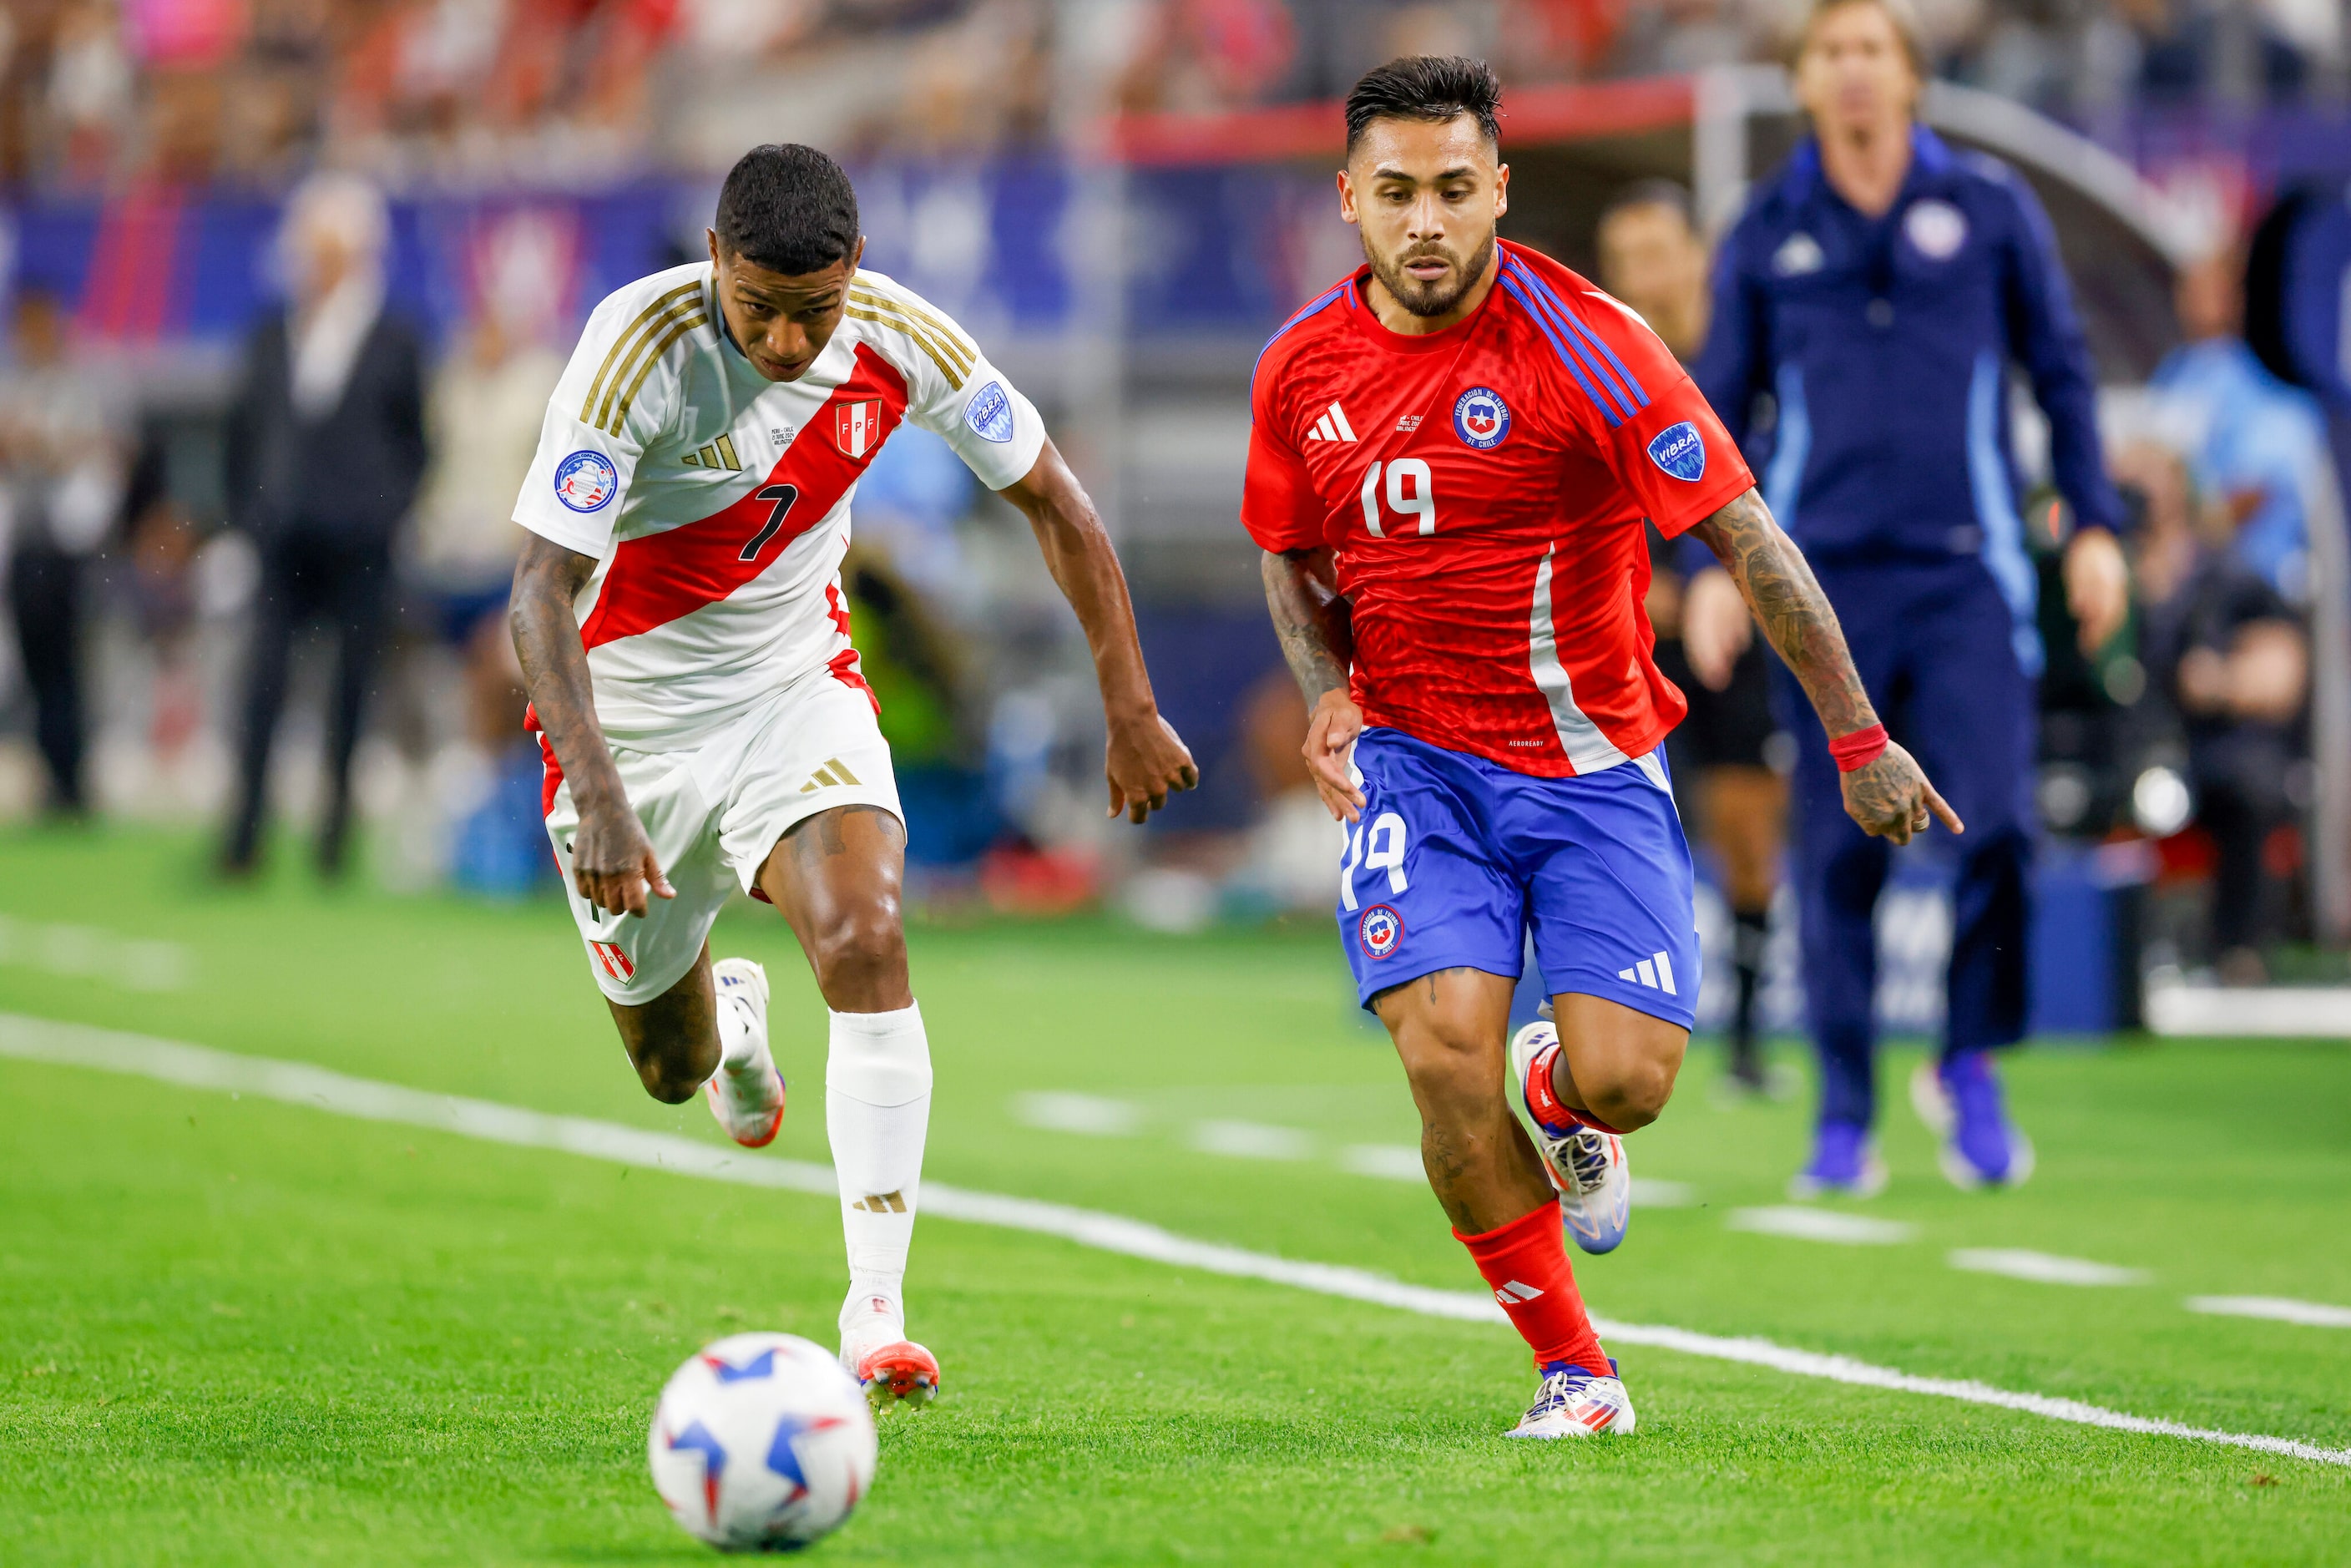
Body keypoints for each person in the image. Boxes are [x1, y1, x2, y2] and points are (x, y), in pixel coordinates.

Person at [1245, 56, 1952, 1440]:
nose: (1428, 221)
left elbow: (1745, 537)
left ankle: (1558, 1090)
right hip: (1413, 761)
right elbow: (1289, 553)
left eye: (1456, 188)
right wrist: (1329, 687)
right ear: (1351, 201)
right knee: (1440, 1050)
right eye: (1397, 194)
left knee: (1627, 1077)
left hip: (1588, 761)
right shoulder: (1299, 369)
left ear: (1498, 186)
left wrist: (1857, 732)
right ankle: (1576, 1369)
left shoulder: (1591, 340)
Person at [509, 144, 1196, 1409]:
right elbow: (540, 590)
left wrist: (1130, 702)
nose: (782, 338)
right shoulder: (635, 346)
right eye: (757, 305)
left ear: (855, 274)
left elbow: (1055, 500)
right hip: (633, 730)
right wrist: (601, 790)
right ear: (714, 259)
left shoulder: (897, 336)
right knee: (667, 1066)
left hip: (791, 688)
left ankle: (874, 1309)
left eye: (810, 310)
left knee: (871, 932)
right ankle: (732, 1030)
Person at [1686, 0, 2129, 1197]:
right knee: (1834, 855)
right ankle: (1842, 1114)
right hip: (1819, 591)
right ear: (1805, 80)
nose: (1854, 72)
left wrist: (2093, 523)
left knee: (2000, 827)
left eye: (1873, 49)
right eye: (1830, 53)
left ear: (1913, 77)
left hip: (1969, 573)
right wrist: (1707, 570)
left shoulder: (1991, 210)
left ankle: (1969, 1062)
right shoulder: (1767, 228)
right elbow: (1707, 416)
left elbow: (2063, 371)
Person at [1595, 180, 1787, 1094]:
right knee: (1632, 829)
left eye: (1655, 253)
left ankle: (1746, 1039)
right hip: (1628, 634)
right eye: (1623, 260)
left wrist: (1731, 589)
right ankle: (1610, 1020)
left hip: (1736, 632)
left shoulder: (1746, 363)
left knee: (1748, 832)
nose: (1641, 274)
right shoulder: (1603, 365)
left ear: (1696, 254)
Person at [220, 173, 428, 878]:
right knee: (263, 690)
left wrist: (384, 510)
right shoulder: (271, 334)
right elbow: (241, 436)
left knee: (349, 693)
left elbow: (415, 443)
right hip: (283, 541)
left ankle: (333, 844)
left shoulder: (395, 336)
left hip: (361, 545)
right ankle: (243, 838)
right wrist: (249, 515)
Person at [2114, 441, 2308, 984]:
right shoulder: (2103, 575)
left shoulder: (2230, 575)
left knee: (2249, 786)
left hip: (2207, 745)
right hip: (2123, 745)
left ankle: (2237, 949)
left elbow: (2282, 673)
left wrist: (2220, 683)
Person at [0, 284, 123, 817]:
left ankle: (74, 779)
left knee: (68, 667)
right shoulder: (15, 385)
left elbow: (95, 450)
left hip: (68, 548)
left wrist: (41, 444)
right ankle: (52, 774)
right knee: (32, 666)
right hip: (23, 545)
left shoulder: (79, 385)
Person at [2147, 245, 2330, 602]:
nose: (2196, 300)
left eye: (2210, 289)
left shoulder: (2263, 377)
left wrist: (2194, 536)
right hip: (2182, 566)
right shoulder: (2175, 372)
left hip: (2251, 574)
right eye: (2190, 288)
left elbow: (2257, 488)